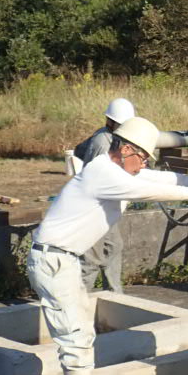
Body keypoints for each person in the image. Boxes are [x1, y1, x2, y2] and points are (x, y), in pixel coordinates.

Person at [27, 116, 188, 375]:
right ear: (126, 149)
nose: (145, 163)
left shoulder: (116, 171)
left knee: (82, 333)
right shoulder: (103, 174)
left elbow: (163, 180)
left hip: (65, 261)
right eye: (143, 156)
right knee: (75, 337)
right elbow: (146, 191)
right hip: (54, 261)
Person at [72, 97, 135, 293]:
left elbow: (78, 150)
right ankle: (79, 301)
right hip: (94, 207)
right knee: (92, 257)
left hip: (106, 205)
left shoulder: (110, 137)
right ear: (111, 121)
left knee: (114, 246)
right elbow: (94, 178)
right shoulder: (102, 142)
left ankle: (115, 295)